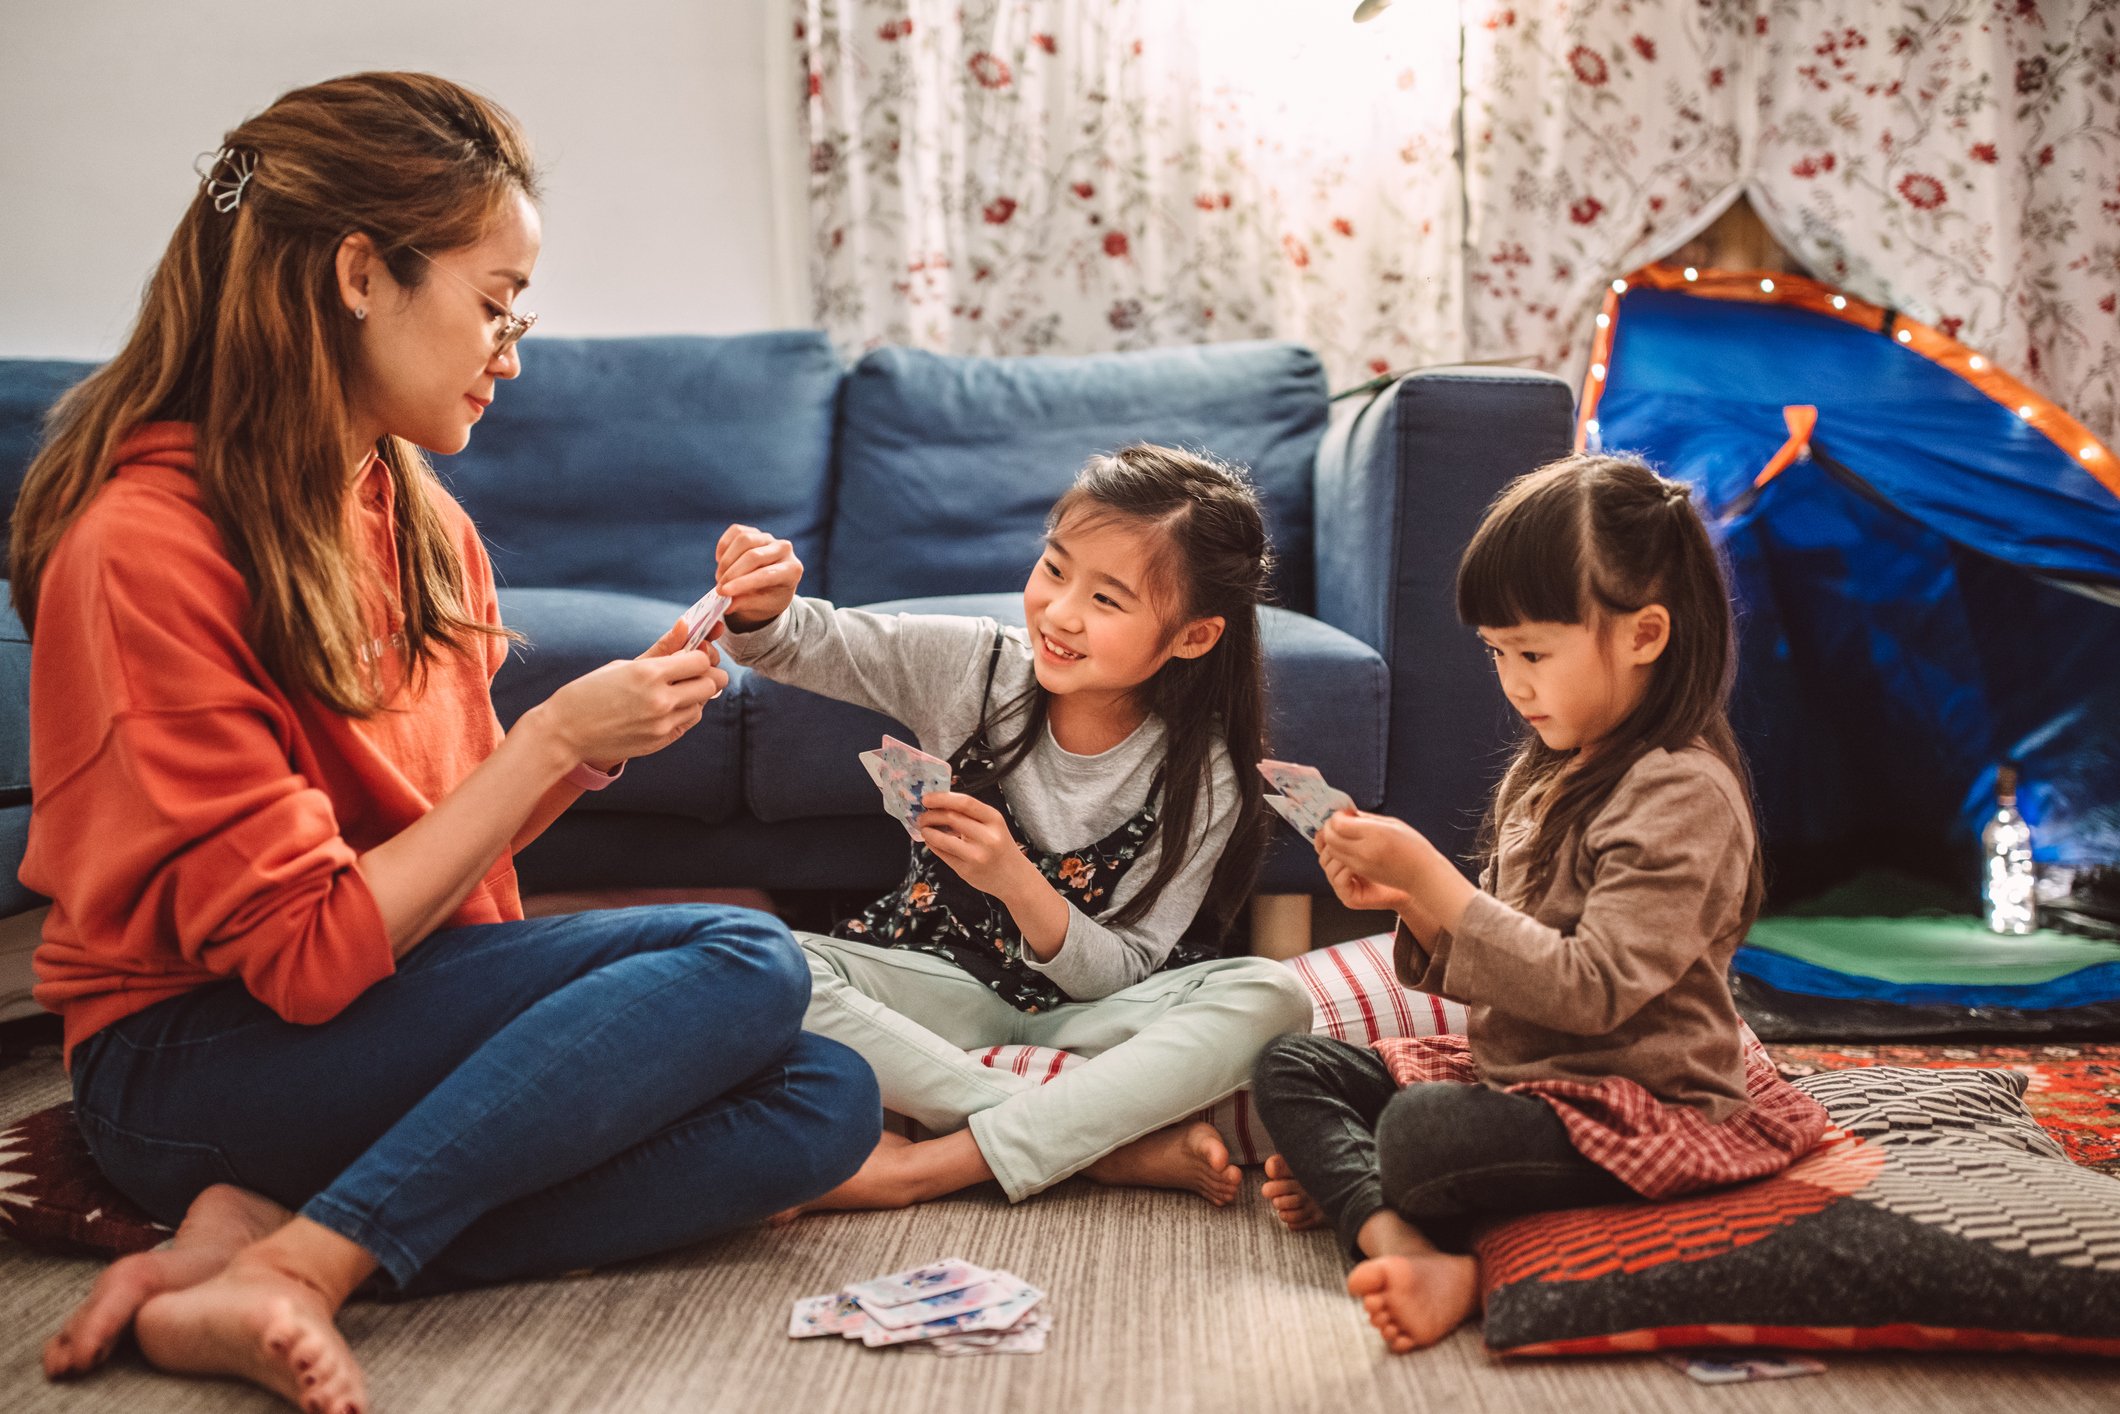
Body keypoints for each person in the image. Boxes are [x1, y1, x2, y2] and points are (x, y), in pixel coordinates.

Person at [19, 72, 878, 1413]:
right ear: (361, 272)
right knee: (745, 949)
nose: (512, 351)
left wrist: (597, 741)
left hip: (370, 1008)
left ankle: (257, 1233)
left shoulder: (416, 518)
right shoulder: (143, 548)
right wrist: (544, 747)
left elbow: (443, 866)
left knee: (826, 1096)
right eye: (493, 305)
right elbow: (302, 961)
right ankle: (302, 1261)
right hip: (191, 1056)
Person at [1250, 454, 1830, 1352]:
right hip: (1524, 1077)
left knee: (1420, 1137)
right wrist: (1409, 902)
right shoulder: (1553, 767)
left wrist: (1438, 878)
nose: (1513, 682)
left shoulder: (1682, 795)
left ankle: (1429, 1231)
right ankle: (1396, 1233)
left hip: (1644, 1103)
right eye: (1496, 652)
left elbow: (1590, 988)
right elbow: (1508, 958)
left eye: (1534, 653)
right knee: (1293, 1067)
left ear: (1645, 635)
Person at [713, 445, 1313, 1211]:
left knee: (1271, 994)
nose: (1061, 614)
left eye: (1108, 600)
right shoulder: (972, 665)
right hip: (932, 984)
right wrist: (759, 598)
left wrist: (1014, 880)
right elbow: (796, 642)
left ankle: (932, 1166)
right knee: (751, 965)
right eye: (1056, 570)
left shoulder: (1209, 776)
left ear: (1192, 636)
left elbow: (1121, 971)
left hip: (1095, 1016)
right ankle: (1103, 1144)